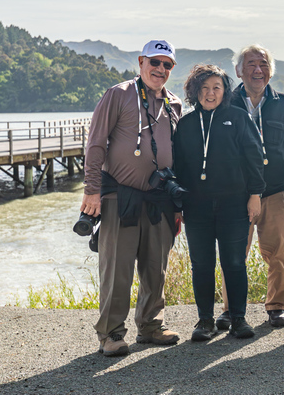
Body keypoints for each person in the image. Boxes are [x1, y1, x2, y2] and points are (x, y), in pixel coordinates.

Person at [81, 39, 183, 357]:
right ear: (141, 62)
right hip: (119, 196)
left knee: (156, 267)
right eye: (155, 62)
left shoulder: (174, 103)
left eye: (167, 65)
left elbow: (178, 155)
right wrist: (91, 190)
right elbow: (96, 143)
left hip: (160, 199)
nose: (160, 69)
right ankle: (111, 333)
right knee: (117, 268)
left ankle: (151, 325)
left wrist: (179, 205)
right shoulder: (119, 94)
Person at [173, 64, 266, 341]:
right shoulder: (187, 124)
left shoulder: (237, 117)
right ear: (194, 92)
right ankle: (204, 321)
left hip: (234, 205)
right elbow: (178, 165)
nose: (210, 93)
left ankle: (238, 319)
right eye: (203, 88)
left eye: (216, 87)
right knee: (201, 264)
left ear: (225, 90)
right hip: (197, 207)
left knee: (234, 263)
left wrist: (255, 195)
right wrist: (179, 203)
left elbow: (255, 157)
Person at [214, 45, 284, 329]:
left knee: (278, 253)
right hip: (236, 194)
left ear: (270, 70)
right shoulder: (226, 103)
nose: (257, 70)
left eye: (263, 64)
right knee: (234, 254)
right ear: (239, 71)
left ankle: (276, 307)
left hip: (275, 191)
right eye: (250, 64)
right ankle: (230, 310)